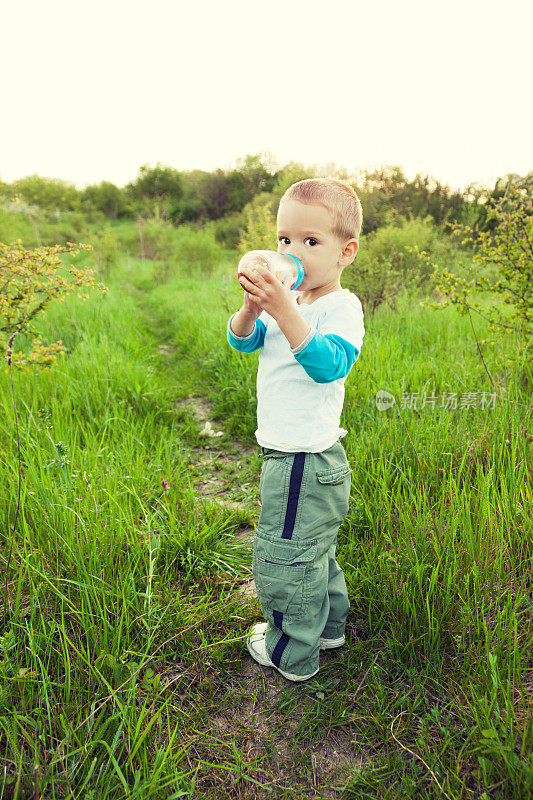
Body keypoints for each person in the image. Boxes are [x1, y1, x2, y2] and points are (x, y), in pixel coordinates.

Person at [226, 177, 365, 681]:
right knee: (313, 549)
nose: (292, 252)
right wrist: (252, 308)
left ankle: (293, 652)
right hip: (297, 456)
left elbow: (329, 365)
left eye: (311, 242)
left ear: (345, 252)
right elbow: (243, 342)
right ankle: (328, 629)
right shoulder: (289, 302)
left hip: (304, 459)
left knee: (286, 555)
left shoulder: (337, 308)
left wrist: (284, 309)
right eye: (285, 240)